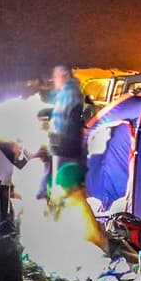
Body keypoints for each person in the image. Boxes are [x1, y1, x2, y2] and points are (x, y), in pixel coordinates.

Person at [46, 64, 85, 198]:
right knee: (69, 182)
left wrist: (50, 138)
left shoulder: (69, 93)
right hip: (70, 144)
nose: (53, 79)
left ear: (65, 75)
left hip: (63, 146)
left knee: (62, 184)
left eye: (55, 76)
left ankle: (60, 212)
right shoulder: (71, 91)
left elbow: (60, 122)